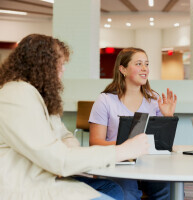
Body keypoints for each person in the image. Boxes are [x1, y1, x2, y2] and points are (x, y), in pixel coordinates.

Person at [0, 34, 150, 200]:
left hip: (50, 175)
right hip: (25, 186)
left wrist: (71, 156)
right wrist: (123, 150)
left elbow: (65, 136)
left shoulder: (37, 96)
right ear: (42, 64)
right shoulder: (16, 96)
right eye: (60, 63)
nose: (63, 69)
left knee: (112, 188)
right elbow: (58, 160)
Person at [89, 47, 177, 200]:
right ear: (122, 69)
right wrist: (126, 148)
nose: (145, 69)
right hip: (118, 164)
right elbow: (94, 142)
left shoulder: (153, 99)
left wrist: (167, 116)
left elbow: (162, 145)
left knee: (170, 190)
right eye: (138, 64)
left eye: (147, 64)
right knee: (127, 194)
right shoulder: (105, 100)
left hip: (149, 164)